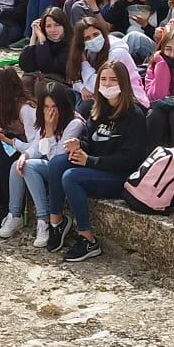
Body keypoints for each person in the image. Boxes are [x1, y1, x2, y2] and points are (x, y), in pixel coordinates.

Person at [29, 60, 154, 263]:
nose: (107, 84)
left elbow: (129, 159)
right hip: (97, 165)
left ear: (123, 82)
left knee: (71, 177)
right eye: (103, 79)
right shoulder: (97, 110)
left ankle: (87, 238)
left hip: (119, 175)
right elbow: (89, 141)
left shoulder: (135, 115)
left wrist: (90, 160)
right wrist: (77, 144)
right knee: (57, 163)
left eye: (113, 79)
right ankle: (56, 222)